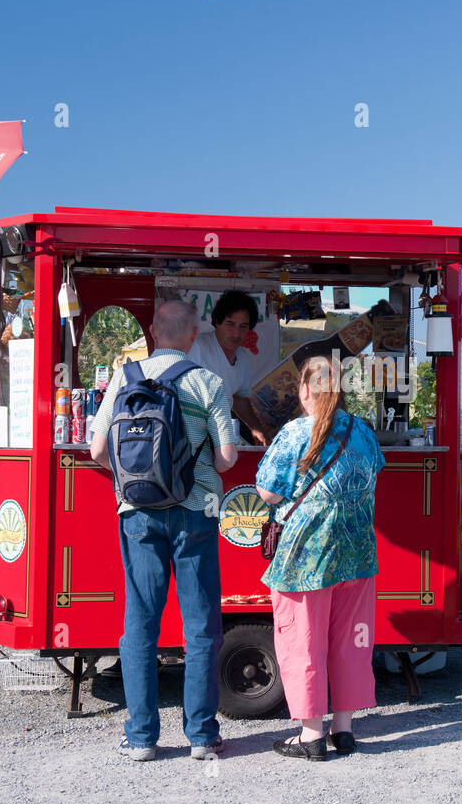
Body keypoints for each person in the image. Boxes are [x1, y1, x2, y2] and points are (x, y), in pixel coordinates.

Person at [89, 299, 239, 762]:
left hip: (136, 513)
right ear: (194, 335)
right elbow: (227, 459)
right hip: (196, 512)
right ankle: (200, 736)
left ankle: (141, 739)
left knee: (139, 625)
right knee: (199, 627)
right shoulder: (209, 381)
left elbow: (96, 450)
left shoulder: (124, 377)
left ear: (152, 330)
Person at [255, 355, 386, 760]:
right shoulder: (363, 432)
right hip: (357, 553)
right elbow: (372, 477)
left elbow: (268, 493)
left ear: (305, 390)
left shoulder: (294, 433)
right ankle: (344, 731)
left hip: (305, 560)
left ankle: (311, 735)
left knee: (303, 641)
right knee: (350, 642)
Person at [188, 290, 272, 445]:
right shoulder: (197, 348)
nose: (236, 333)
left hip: (222, 437)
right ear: (217, 322)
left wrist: (255, 427)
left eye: (243, 326)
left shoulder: (243, 358)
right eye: (230, 324)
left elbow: (239, 398)